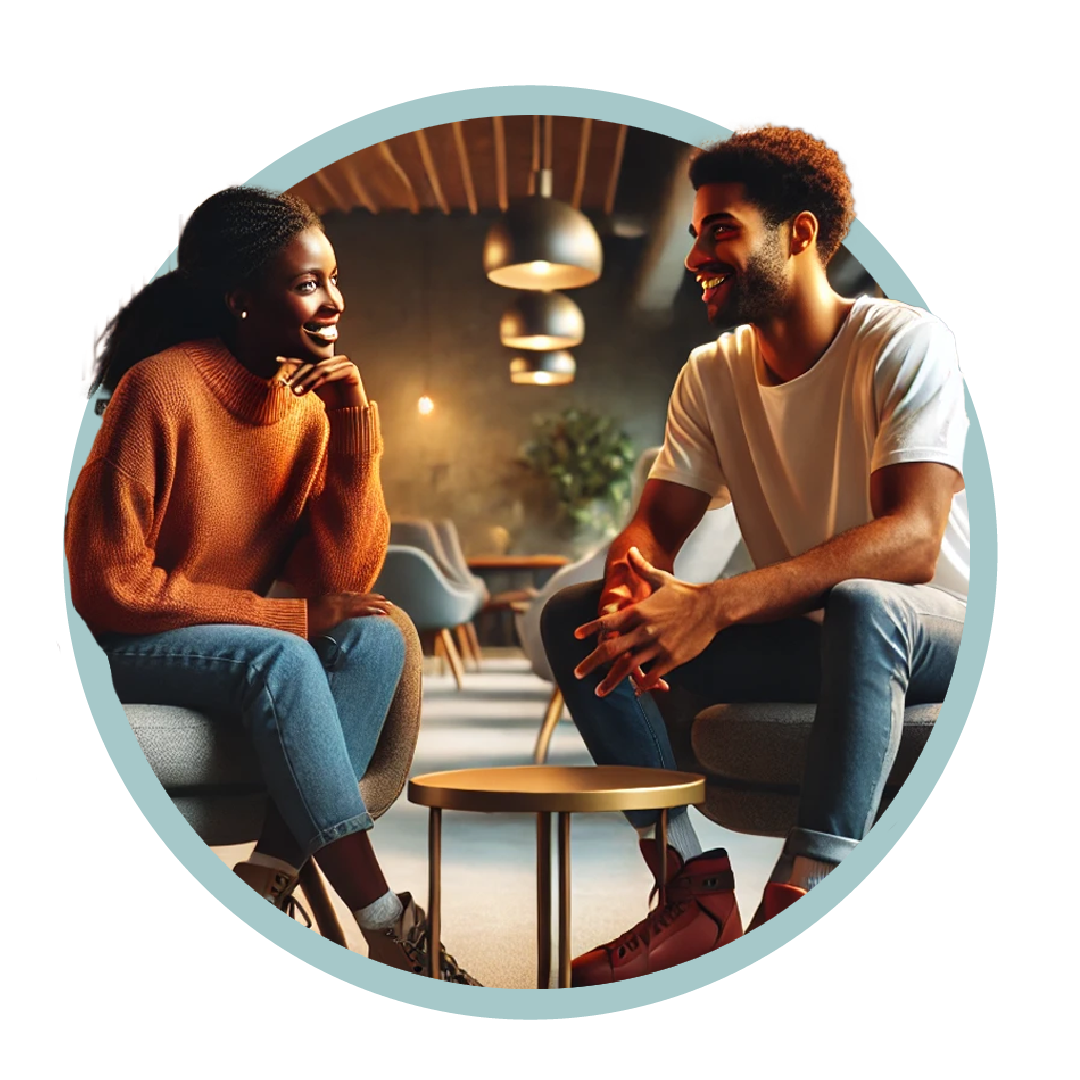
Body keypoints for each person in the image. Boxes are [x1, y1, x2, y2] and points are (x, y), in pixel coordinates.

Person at [541, 122, 968, 986]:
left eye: (721, 228)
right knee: (575, 614)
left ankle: (805, 899)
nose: (698, 251)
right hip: (816, 644)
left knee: (866, 603)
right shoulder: (711, 371)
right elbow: (655, 524)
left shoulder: (904, 343)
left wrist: (717, 603)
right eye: (695, 230)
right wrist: (632, 578)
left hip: (932, 641)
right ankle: (693, 891)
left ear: (799, 233)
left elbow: (916, 539)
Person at [65, 185, 479, 984]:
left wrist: (355, 435)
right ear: (241, 300)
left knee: (377, 630)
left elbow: (341, 581)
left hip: (229, 638)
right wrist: (283, 616)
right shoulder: (163, 388)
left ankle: (270, 877)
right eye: (308, 284)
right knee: (283, 656)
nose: (334, 301)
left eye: (333, 278)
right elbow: (106, 584)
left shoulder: (309, 413)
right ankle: (388, 922)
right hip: (131, 638)